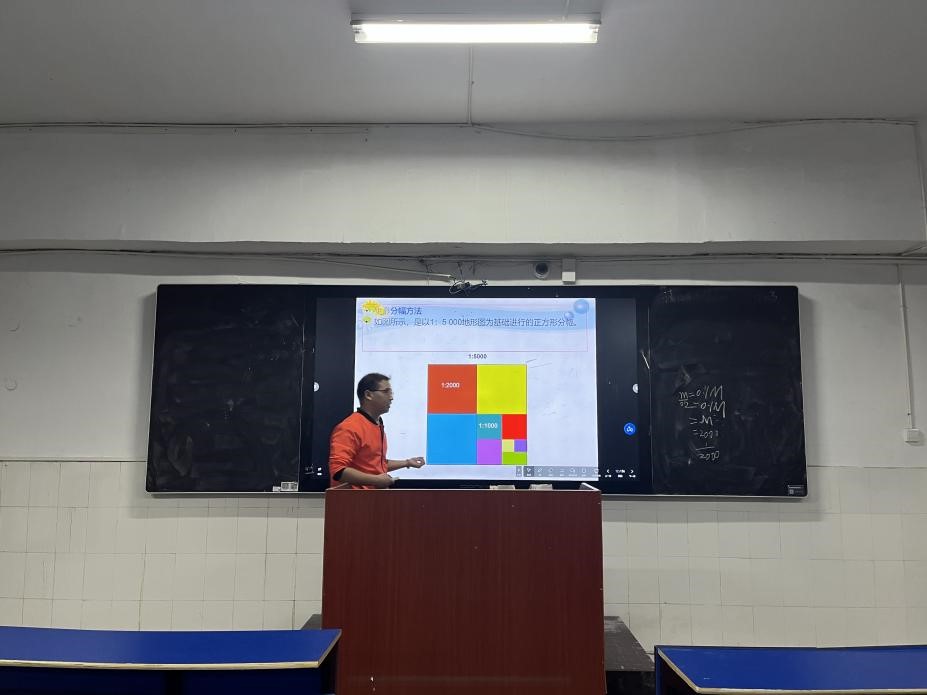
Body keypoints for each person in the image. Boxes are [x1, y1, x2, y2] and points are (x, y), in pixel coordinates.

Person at [328, 372, 426, 489]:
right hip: (354, 499)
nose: (391, 397)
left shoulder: (377, 424)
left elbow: (376, 464)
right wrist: (376, 480)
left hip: (373, 498)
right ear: (368, 395)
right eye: (386, 392)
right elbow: (338, 470)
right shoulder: (349, 428)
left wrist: (407, 463)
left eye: (391, 393)